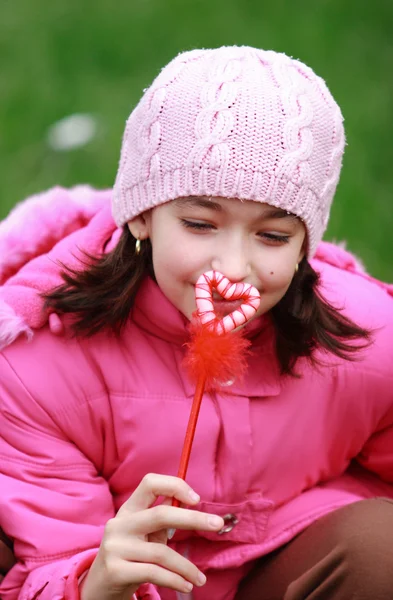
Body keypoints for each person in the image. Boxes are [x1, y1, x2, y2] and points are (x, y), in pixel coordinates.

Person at [0, 45, 392, 600]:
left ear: (307, 245)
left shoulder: (371, 338)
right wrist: (96, 583)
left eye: (273, 236)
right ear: (140, 213)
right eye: (200, 223)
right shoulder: (34, 362)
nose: (233, 267)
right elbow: (49, 556)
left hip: (284, 565)